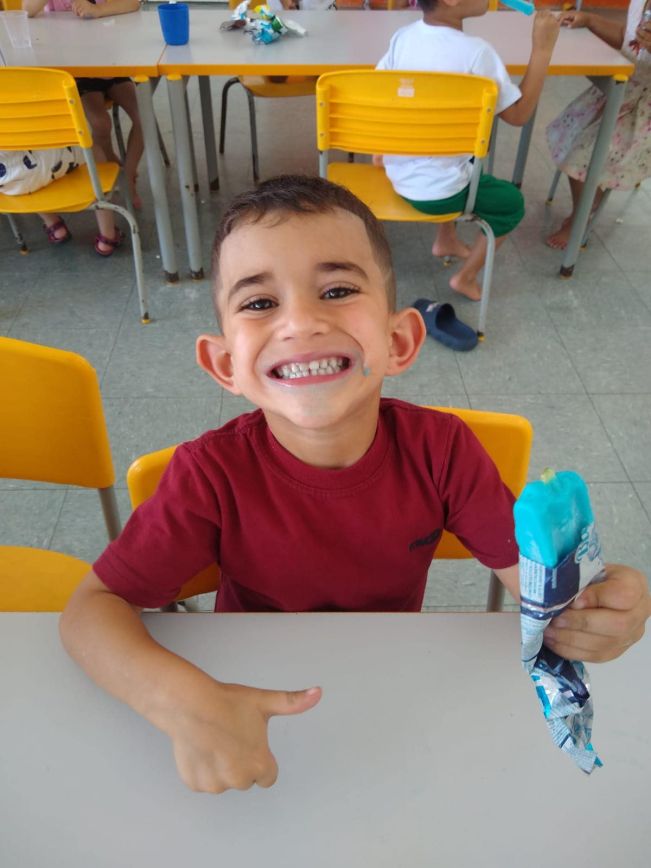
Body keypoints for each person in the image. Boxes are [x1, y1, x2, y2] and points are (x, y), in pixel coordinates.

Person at [60, 175, 650, 795]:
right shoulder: (209, 476)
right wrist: (183, 703)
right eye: (260, 303)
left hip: (395, 706)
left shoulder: (443, 453)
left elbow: (540, 598)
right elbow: (89, 613)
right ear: (225, 364)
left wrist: (595, 609)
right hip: (246, 699)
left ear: (398, 341)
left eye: (337, 290)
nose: (300, 323)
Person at [374, 0, 560, 301]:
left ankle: (445, 239)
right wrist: (543, 49)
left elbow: (381, 93)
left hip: (400, 171)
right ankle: (465, 277)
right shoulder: (477, 52)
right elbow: (519, 115)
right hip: (439, 191)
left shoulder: (403, 37)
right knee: (511, 204)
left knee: (459, 151)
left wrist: (381, 147)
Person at [546, 0, 651, 249]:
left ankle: (581, 216)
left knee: (583, 155)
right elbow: (627, 38)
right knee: (571, 134)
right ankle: (591, 195)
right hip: (621, 88)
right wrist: (590, 20)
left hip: (644, 109)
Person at [24, 0, 145, 209]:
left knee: (145, 117)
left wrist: (99, 10)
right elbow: (26, 11)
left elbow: (133, 3)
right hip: (76, 71)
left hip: (110, 64)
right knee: (100, 124)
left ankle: (128, 174)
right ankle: (111, 167)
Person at [0, 146, 122, 255]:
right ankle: (107, 236)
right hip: (58, 161)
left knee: (25, 175)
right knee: (91, 146)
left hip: (10, 182)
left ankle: (54, 226)